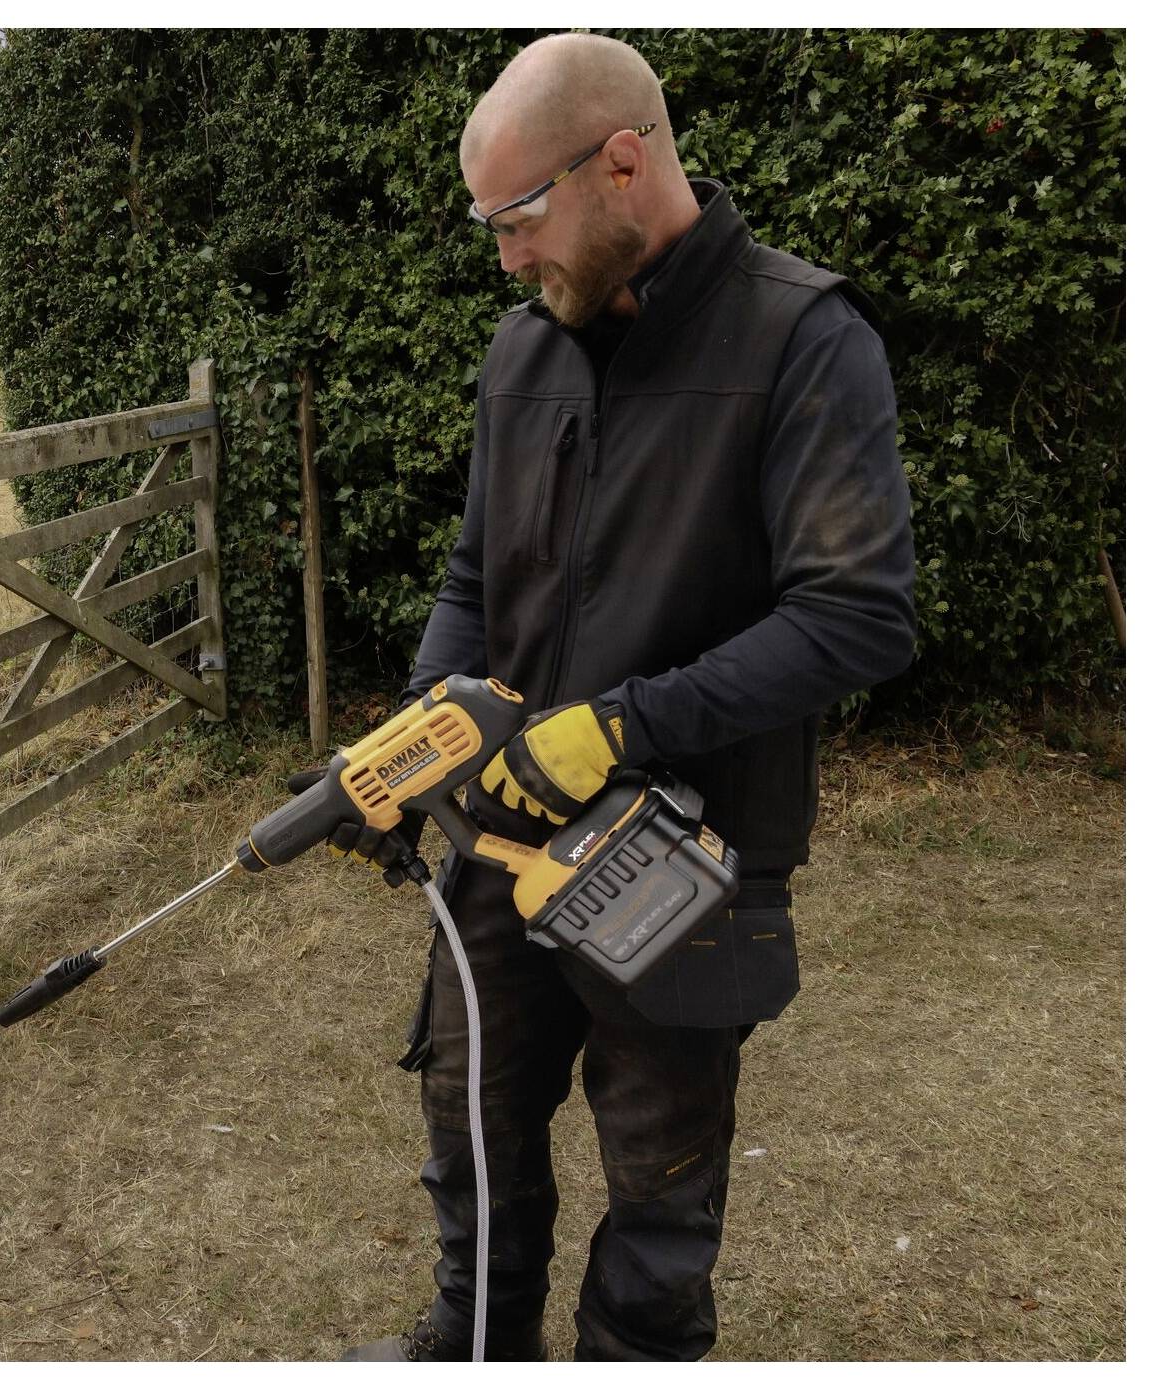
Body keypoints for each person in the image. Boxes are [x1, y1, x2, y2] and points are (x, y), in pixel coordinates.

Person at [337, 33, 917, 1361]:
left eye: (519, 217)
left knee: (658, 1198)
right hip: (500, 847)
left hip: (680, 855)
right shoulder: (524, 348)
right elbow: (478, 575)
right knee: (467, 1123)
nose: (504, 255)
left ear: (621, 161)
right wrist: (425, 720)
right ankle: (472, 1342)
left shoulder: (802, 338)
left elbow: (859, 612)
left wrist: (616, 726)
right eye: (488, 225)